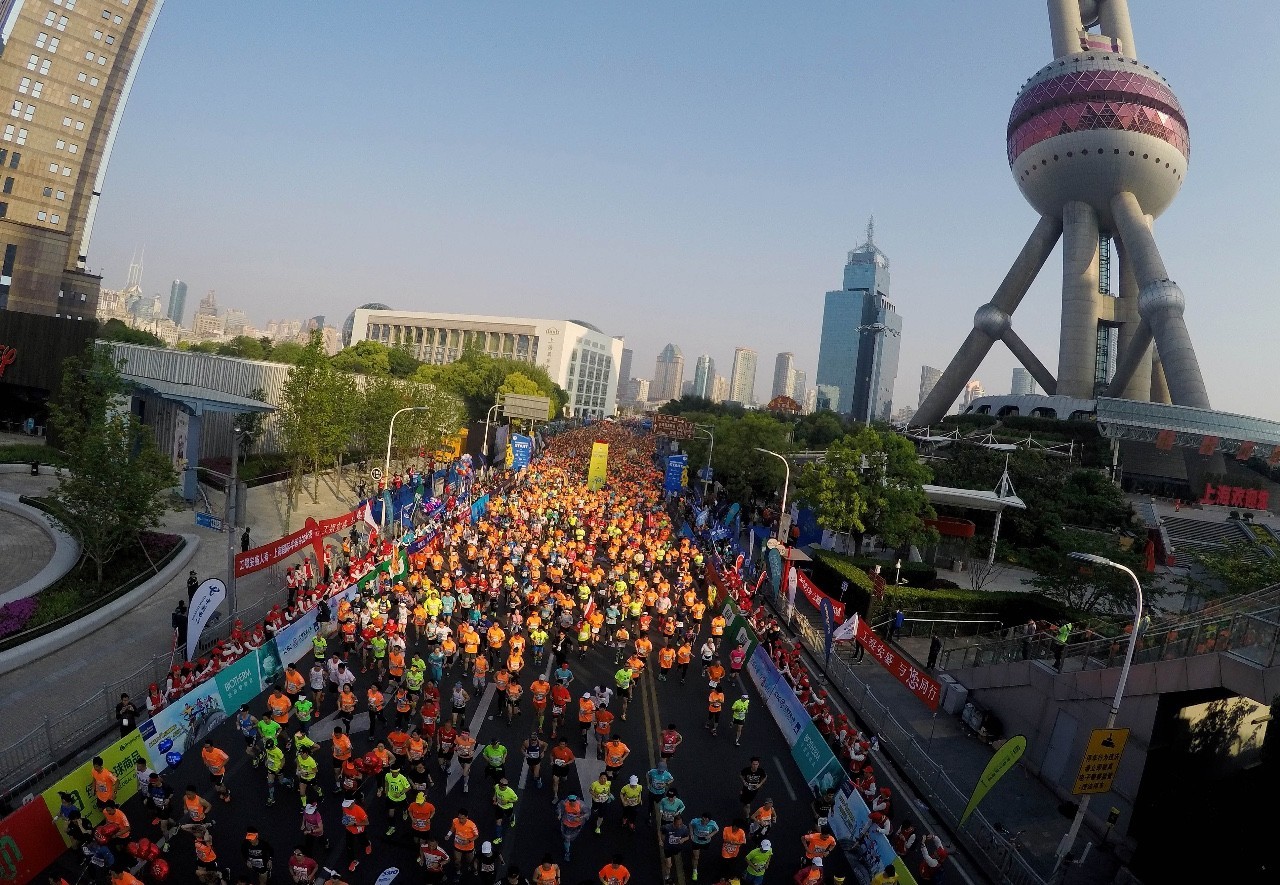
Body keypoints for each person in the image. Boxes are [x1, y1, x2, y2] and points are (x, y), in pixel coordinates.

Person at [446, 808, 480, 874]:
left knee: (470, 860)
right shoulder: (455, 821)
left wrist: (469, 841)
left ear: (467, 817)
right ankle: (458, 871)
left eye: (462, 818)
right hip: (458, 845)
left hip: (468, 847)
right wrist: (448, 835)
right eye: (459, 818)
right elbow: (453, 828)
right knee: (457, 861)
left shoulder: (472, 825)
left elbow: (476, 835)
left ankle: (472, 868)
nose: (460, 820)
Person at [688, 812, 720, 881]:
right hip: (696, 841)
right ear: (701, 818)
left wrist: (710, 835)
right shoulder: (696, 821)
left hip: (706, 842)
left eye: (706, 821)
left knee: (702, 851)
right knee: (696, 857)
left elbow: (717, 830)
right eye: (703, 820)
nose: (704, 822)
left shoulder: (713, 824)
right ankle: (695, 871)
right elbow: (690, 824)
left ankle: (695, 855)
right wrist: (691, 833)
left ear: (709, 820)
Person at [556, 793, 588, 860]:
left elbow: (587, 813)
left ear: (576, 800)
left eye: (573, 800)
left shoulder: (581, 805)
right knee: (567, 839)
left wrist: (580, 818)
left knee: (572, 836)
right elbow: (559, 807)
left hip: (577, 825)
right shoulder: (565, 803)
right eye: (570, 800)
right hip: (567, 824)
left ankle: (569, 839)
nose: (572, 802)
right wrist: (559, 814)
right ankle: (567, 852)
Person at [662, 813, 691, 883]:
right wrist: (661, 840)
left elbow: (687, 837)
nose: (679, 826)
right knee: (669, 864)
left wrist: (683, 839)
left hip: (677, 847)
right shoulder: (667, 827)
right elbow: (660, 831)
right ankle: (667, 876)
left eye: (680, 824)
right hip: (668, 848)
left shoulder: (684, 828)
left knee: (675, 854)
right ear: (673, 822)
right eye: (677, 824)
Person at [492, 776, 518, 844]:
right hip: (499, 807)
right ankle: (499, 837)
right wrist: (494, 797)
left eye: (503, 786)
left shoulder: (510, 792)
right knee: (498, 822)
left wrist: (507, 801)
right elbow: (496, 792)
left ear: (506, 786)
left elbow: (515, 799)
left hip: (508, 808)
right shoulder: (497, 786)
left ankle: (512, 818)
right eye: (500, 785)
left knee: (509, 816)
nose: (501, 787)